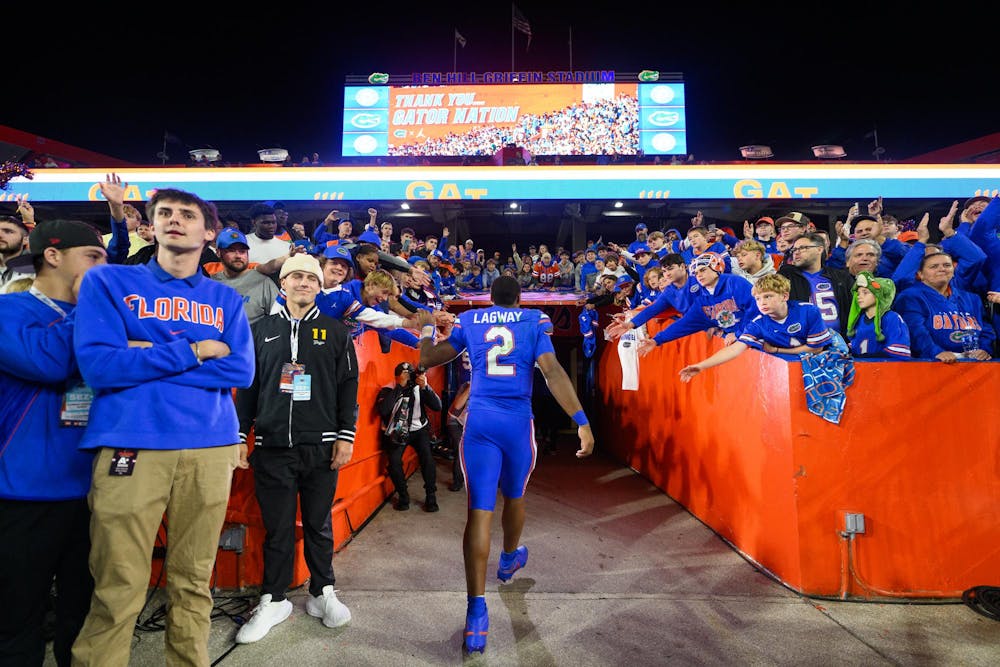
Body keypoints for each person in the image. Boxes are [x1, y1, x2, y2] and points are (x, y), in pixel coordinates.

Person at [71, 187, 254, 667]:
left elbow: (240, 371)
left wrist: (141, 352)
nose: (175, 220)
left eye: (188, 214)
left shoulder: (225, 299)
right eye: (164, 213)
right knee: (117, 582)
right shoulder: (108, 282)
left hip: (210, 447)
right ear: (149, 226)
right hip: (132, 443)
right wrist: (192, 350)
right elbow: (99, 366)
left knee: (194, 580)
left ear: (208, 232)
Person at [418, 275, 594, 654]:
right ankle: (509, 558)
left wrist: (426, 327)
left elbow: (427, 358)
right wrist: (581, 422)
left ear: (490, 298)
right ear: (518, 298)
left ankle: (476, 614)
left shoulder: (469, 322)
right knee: (514, 497)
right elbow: (552, 372)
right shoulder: (533, 321)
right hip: (517, 422)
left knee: (478, 513)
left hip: (479, 421)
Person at [234, 253, 357, 643]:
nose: (303, 283)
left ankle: (323, 592)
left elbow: (347, 388)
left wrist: (345, 435)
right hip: (272, 446)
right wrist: (241, 435)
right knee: (278, 529)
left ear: (319, 287)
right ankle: (273, 599)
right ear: (283, 284)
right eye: (296, 277)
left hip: (320, 446)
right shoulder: (260, 330)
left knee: (320, 525)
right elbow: (248, 389)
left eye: (311, 278)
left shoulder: (337, 332)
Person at [0, 220, 107, 667]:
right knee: (15, 617)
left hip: (94, 492)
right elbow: (49, 362)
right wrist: (92, 310)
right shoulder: (9, 312)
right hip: (24, 493)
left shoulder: (100, 317)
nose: (104, 268)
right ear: (53, 255)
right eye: (94, 257)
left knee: (81, 617)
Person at [678, 274, 832, 382]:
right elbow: (735, 348)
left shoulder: (808, 311)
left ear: (784, 296)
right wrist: (701, 366)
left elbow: (817, 349)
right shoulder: (758, 323)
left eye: (768, 296)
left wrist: (779, 351)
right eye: (758, 298)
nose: (762, 303)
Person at [893, 252, 994, 362]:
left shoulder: (972, 299)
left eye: (947, 265)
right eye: (934, 266)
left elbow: (986, 329)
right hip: (931, 365)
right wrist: (936, 352)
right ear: (920, 274)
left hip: (975, 364)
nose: (942, 269)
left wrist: (984, 350)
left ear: (953, 271)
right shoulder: (910, 297)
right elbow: (915, 332)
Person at [376, 362, 442, 512]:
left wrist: (426, 387)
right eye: (403, 374)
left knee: (428, 459)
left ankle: (431, 495)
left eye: (409, 374)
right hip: (399, 430)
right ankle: (403, 496)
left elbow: (437, 407)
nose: (408, 377)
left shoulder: (419, 387)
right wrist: (400, 387)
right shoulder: (389, 388)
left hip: (419, 429)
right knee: (393, 462)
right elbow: (383, 410)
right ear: (396, 376)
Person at [210, 227, 280, 324]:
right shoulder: (210, 283)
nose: (238, 256)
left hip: (253, 337)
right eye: (231, 250)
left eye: (242, 251)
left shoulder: (263, 282)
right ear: (218, 253)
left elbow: (279, 320)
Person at [845, 272, 911, 359]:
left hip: (884, 370)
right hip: (860, 370)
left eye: (865, 292)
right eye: (858, 293)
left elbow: (899, 351)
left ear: (879, 295)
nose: (859, 297)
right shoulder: (859, 320)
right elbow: (855, 346)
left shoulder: (891, 318)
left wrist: (868, 358)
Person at [444, 380, 470, 492]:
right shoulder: (467, 385)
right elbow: (457, 405)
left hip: (473, 425)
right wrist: (471, 387)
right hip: (456, 421)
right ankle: (458, 481)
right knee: (461, 449)